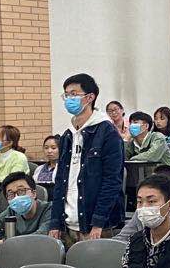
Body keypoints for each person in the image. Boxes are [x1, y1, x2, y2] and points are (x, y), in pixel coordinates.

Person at [50, 72, 126, 246]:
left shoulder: (107, 132)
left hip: (95, 224)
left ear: (90, 97)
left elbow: (112, 180)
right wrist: (55, 221)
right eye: (66, 95)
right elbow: (61, 180)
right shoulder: (68, 135)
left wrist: (98, 222)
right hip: (68, 222)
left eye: (74, 94)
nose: (69, 99)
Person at [117, 168, 170, 241]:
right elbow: (120, 241)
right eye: (139, 201)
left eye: (151, 201)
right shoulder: (141, 211)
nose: (144, 207)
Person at [0, 171, 51, 238]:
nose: (16, 197)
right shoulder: (10, 212)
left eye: (21, 191)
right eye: (11, 194)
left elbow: (41, 237)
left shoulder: (49, 209)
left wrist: (3, 242)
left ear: (33, 193)